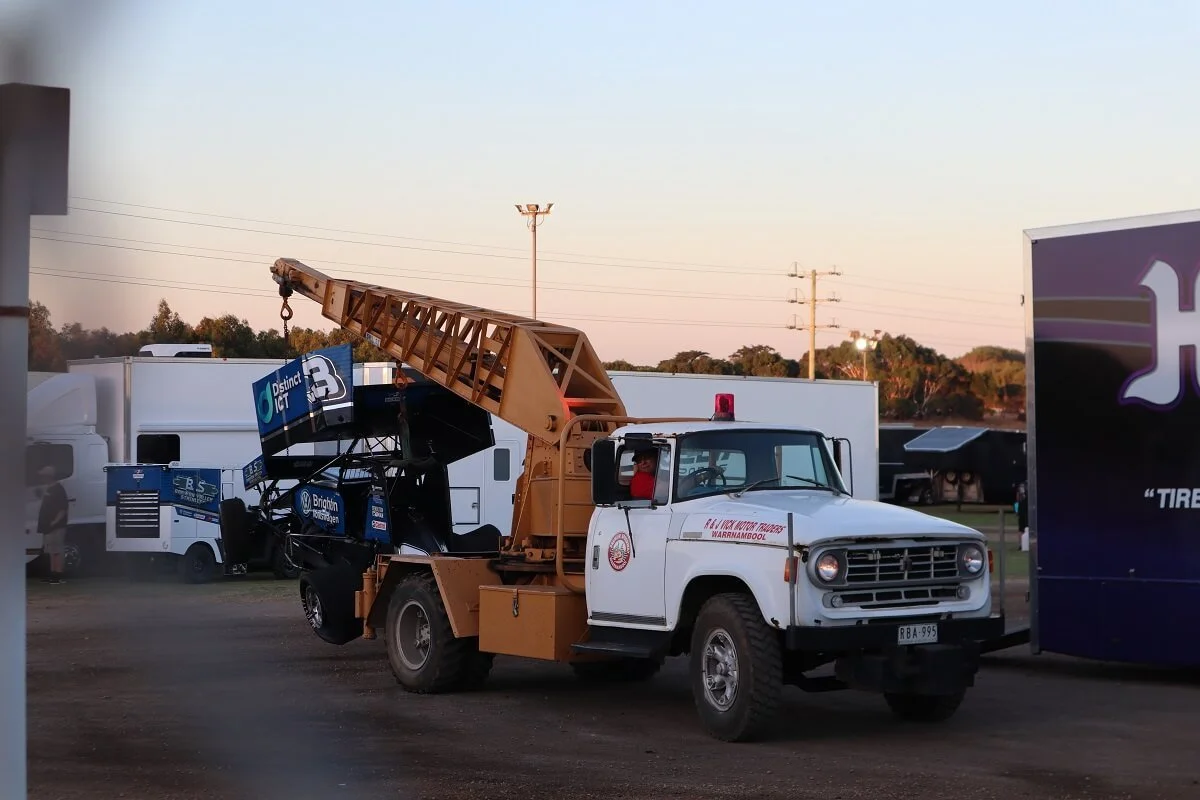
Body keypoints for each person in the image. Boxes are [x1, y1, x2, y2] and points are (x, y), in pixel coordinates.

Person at [37, 465, 69, 584]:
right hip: (47, 526)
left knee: (57, 551)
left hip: (56, 526)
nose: (41, 479)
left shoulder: (58, 489)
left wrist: (54, 521)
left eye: (43, 476)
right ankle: (52, 573)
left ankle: (58, 575)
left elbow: (62, 508)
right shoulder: (48, 489)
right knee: (50, 551)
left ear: (49, 477)